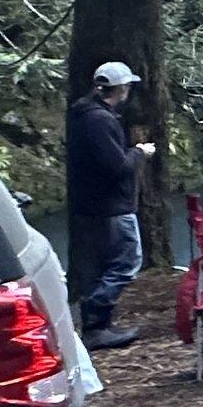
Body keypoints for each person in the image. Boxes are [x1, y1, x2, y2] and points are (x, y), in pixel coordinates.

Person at [67, 61, 155, 350]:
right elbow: (117, 167)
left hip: (92, 206)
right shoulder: (100, 120)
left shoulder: (83, 114)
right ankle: (94, 319)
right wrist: (139, 153)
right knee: (127, 262)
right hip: (111, 208)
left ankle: (98, 326)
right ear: (121, 89)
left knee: (103, 265)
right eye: (127, 86)